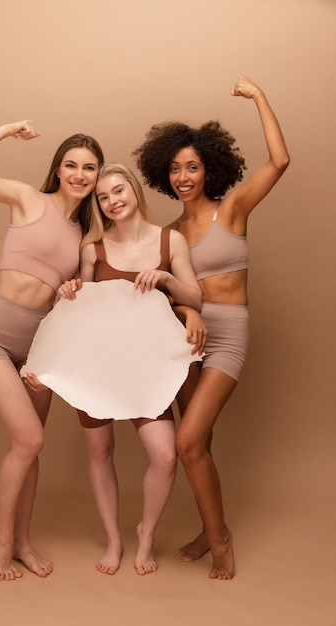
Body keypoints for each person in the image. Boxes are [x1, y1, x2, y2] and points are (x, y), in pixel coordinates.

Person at [133, 76, 290, 580]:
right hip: (187, 338)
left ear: (209, 169)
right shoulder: (170, 234)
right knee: (203, 441)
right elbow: (166, 292)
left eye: (192, 167)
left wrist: (259, 97)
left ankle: (220, 539)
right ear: (165, 174)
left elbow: (280, 162)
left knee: (187, 441)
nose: (183, 176)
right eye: (175, 169)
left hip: (229, 335)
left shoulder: (234, 209)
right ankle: (207, 527)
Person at [0, 121, 104, 581]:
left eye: (88, 168)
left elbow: (79, 301)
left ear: (96, 176)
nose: (79, 173)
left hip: (40, 350)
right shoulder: (27, 199)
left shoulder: (86, 233)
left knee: (28, 447)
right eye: (71, 164)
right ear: (57, 169)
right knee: (30, 439)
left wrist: (71, 288)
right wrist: (4, 131)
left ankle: (21, 542)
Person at [57, 162, 205, 576]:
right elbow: (76, 309)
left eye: (118, 191)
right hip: (97, 365)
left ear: (135, 191)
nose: (111, 201)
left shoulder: (170, 241)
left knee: (165, 456)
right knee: (100, 452)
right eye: (103, 197)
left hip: (148, 369)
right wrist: (69, 290)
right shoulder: (93, 249)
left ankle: (146, 533)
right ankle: (114, 540)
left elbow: (195, 297)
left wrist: (165, 279)